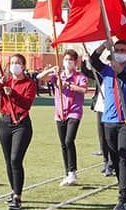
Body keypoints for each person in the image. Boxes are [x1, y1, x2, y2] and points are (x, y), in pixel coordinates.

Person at [89, 39, 126, 210]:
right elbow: (93, 61)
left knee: (124, 156)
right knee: (115, 158)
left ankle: (123, 198)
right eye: (116, 50)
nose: (119, 52)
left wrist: (121, 72)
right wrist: (103, 46)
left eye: (122, 50)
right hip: (110, 120)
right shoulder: (107, 70)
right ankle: (125, 190)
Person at [0, 54, 37, 210]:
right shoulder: (7, 80)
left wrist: (13, 94)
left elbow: (27, 103)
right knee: (8, 161)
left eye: (17, 63)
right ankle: (13, 190)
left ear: (23, 66)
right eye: (12, 63)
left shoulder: (29, 84)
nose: (14, 65)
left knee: (16, 159)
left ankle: (18, 196)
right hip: (5, 123)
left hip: (21, 124)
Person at [37, 50, 89, 187]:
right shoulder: (58, 75)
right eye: (66, 59)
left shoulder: (79, 76)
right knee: (63, 144)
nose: (68, 62)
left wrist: (69, 85)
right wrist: (50, 70)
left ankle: (73, 171)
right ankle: (67, 172)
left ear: (75, 62)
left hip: (74, 112)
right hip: (60, 113)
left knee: (69, 140)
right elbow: (39, 77)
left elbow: (84, 89)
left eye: (70, 60)